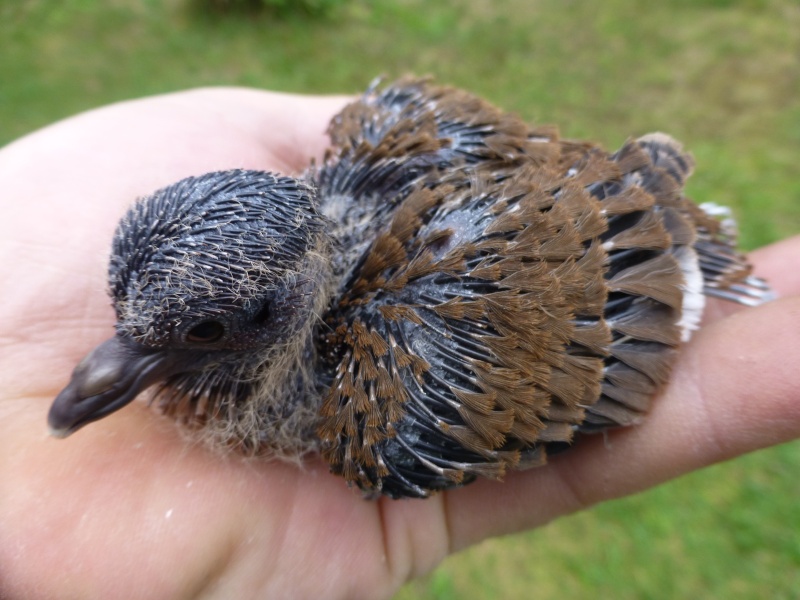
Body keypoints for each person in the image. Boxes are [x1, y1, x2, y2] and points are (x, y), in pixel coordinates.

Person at [0, 87, 798, 599]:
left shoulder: (393, 395)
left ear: (281, 305)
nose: (99, 371)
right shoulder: (315, 220)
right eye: (133, 332)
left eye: (206, 331)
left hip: (591, 237)